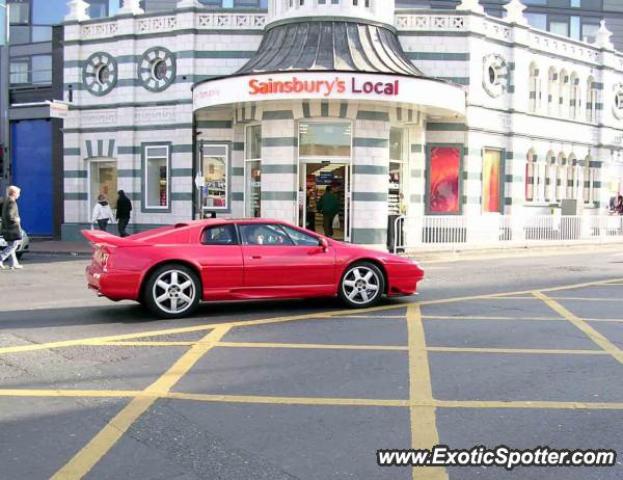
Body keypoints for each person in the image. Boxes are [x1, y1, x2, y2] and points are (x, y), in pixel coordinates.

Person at [0, 186, 23, 270]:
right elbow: (10, 216)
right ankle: (1, 258)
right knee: (14, 245)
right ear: (14, 193)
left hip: (5, 227)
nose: (19, 195)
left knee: (11, 245)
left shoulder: (5, 201)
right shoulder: (12, 202)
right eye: (18, 193)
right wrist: (17, 219)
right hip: (12, 228)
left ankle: (13, 263)